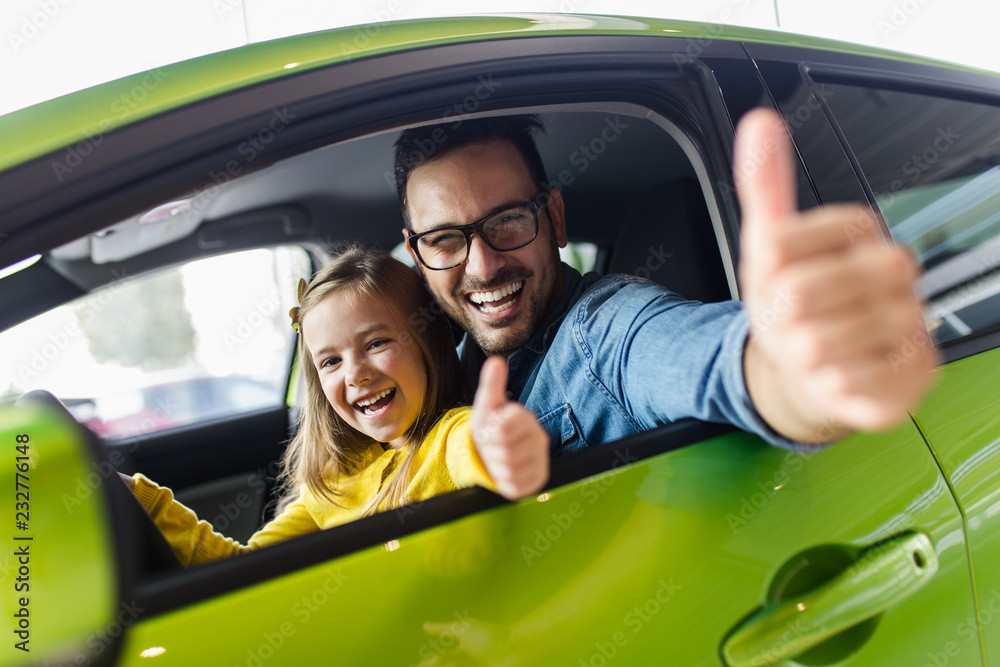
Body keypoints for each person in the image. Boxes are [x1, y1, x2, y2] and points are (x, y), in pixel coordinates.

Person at [395, 109, 937, 452]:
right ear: (418, 254)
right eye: (445, 239)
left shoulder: (603, 332)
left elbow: (705, 358)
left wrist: (802, 376)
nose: (483, 266)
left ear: (555, 219)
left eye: (508, 220)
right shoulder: (439, 368)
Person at [120, 248, 549, 566]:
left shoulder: (449, 437)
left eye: (377, 343)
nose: (355, 374)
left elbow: (472, 446)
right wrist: (141, 501)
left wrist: (496, 446)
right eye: (331, 361)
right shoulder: (333, 484)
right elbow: (243, 572)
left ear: (428, 343)